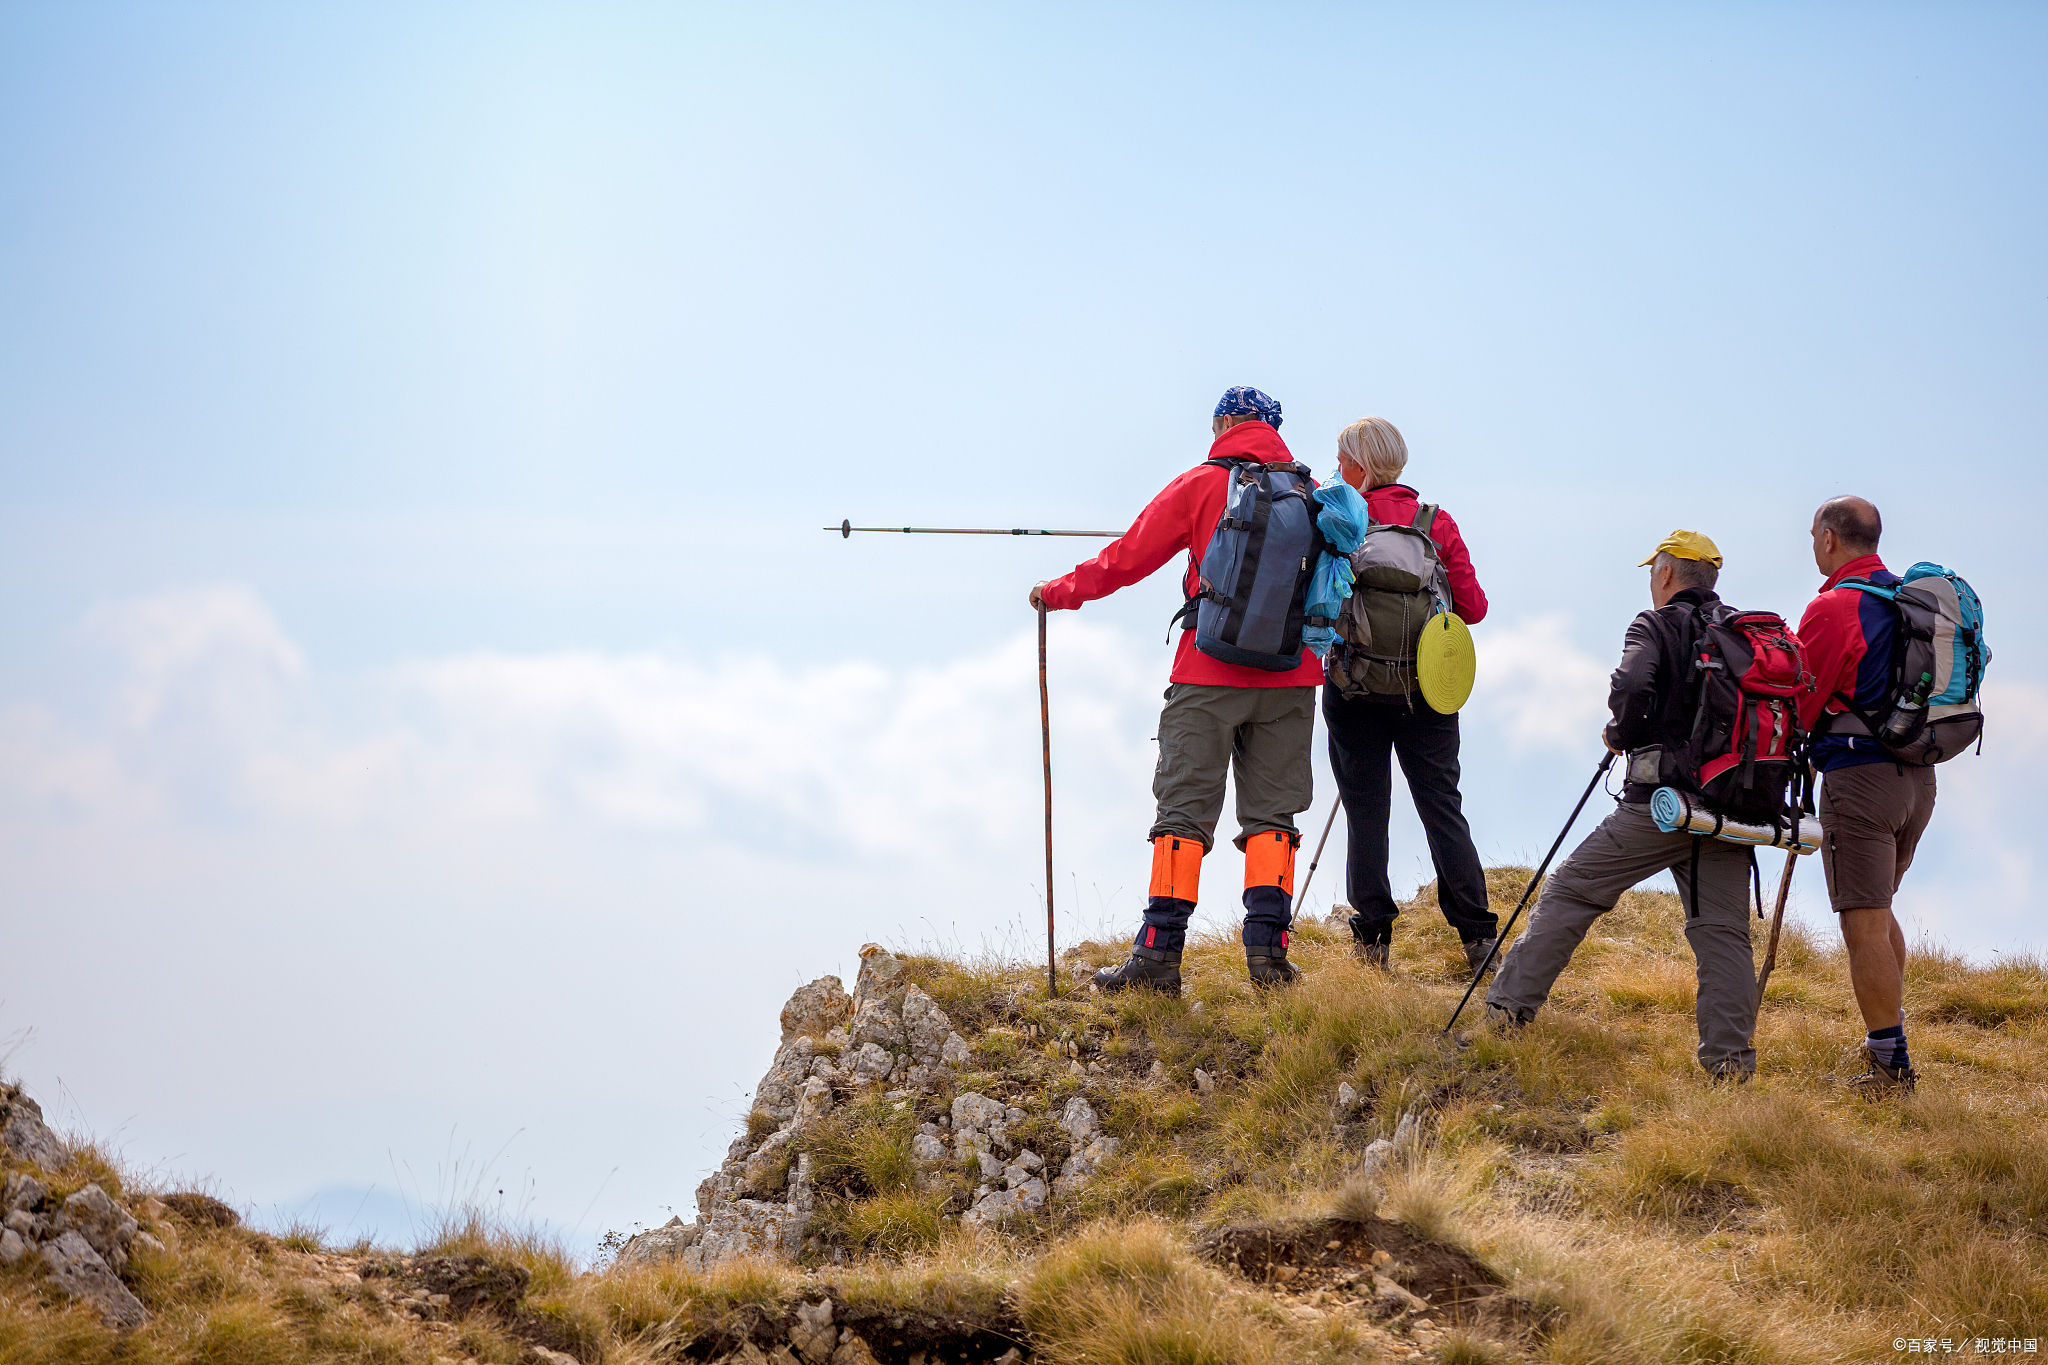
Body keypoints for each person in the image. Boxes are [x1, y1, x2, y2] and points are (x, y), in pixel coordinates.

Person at [1031, 386, 1322, 994]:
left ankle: (1158, 957)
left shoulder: (1200, 484)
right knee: (1273, 817)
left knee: (1183, 812)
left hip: (1206, 672)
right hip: (1291, 678)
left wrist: (1056, 592)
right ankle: (1268, 958)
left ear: (1222, 425)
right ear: (1274, 430)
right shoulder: (1311, 495)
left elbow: (1127, 558)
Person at [1478, 531, 1760, 1081]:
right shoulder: (1744, 634)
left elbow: (1632, 685)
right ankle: (1730, 1070)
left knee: (1572, 889)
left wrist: (1620, 732)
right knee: (1723, 933)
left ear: (1666, 575)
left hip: (1661, 804)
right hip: (1731, 808)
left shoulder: (1654, 624)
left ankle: (1506, 1017)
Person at [1321, 417, 1496, 974]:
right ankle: (1477, 938)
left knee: (1367, 814)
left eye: (1342, 460)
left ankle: (1372, 942)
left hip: (1354, 689)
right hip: (1427, 695)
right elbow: (1474, 609)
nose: (1337, 469)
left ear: (1360, 467)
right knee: (1443, 809)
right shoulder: (1436, 523)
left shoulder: (1341, 519)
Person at [1795, 496, 1931, 1096]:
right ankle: (1890, 1042)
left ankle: (1887, 1064)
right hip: (1918, 779)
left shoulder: (1834, 607)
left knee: (1863, 921)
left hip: (1860, 779)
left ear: (1828, 537)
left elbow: (1804, 699)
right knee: (1878, 910)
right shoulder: (1909, 600)